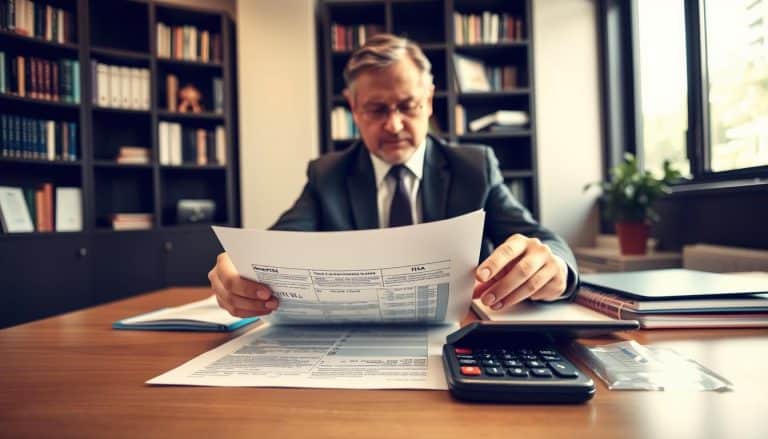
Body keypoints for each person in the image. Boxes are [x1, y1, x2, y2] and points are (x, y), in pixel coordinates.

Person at [209, 33, 579, 318]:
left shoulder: (475, 167)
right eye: (376, 109)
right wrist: (239, 268)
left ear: (430, 100)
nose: (394, 124)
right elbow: (278, 247)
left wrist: (554, 267)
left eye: (407, 105)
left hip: (461, 334)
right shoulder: (328, 175)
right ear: (353, 108)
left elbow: (542, 239)